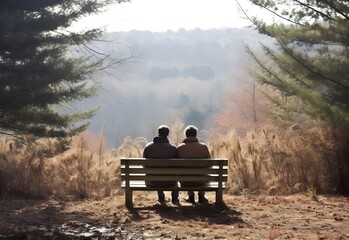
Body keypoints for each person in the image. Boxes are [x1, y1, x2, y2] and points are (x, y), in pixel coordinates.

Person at [143, 125, 179, 204]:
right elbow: (177, 166)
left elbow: (144, 165)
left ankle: (161, 197)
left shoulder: (148, 147)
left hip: (152, 181)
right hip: (170, 182)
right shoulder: (173, 148)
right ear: (168, 134)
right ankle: (175, 199)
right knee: (174, 175)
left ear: (158, 133)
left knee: (156, 173)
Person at [177, 125, 211, 204]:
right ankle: (201, 195)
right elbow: (209, 164)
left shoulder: (179, 148)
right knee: (203, 173)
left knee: (186, 172)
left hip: (185, 181)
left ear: (186, 135)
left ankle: (191, 195)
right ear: (196, 135)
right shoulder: (204, 147)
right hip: (201, 181)